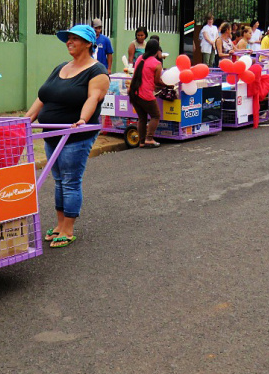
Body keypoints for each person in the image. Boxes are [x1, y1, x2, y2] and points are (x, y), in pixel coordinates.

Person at [25, 24, 109, 249]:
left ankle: (68, 229)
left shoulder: (97, 71)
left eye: (75, 38)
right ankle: (60, 225)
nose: (69, 42)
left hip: (75, 135)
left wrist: (82, 119)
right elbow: (43, 97)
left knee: (70, 181)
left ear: (88, 43)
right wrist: (26, 120)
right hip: (52, 133)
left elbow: (93, 98)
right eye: (68, 38)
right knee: (59, 180)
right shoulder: (61, 67)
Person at [129, 39, 167, 148]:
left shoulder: (140, 58)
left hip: (134, 92)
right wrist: (167, 85)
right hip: (146, 94)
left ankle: (141, 142)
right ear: (157, 51)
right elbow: (157, 81)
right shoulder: (157, 64)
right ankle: (149, 138)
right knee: (155, 115)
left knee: (142, 117)